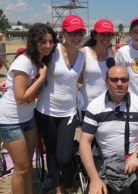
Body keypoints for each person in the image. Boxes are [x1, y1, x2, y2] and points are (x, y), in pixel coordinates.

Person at [0, 23, 57, 194]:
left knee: (27, 165)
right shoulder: (25, 62)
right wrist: (41, 77)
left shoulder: (40, 61)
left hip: (28, 118)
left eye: (51, 41)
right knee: (21, 168)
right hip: (10, 121)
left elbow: (21, 89)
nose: (48, 45)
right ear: (34, 42)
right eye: (43, 41)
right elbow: (20, 97)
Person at [79, 65, 138, 194]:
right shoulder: (95, 107)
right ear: (106, 82)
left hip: (132, 155)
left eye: (124, 79)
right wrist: (94, 179)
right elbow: (85, 143)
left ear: (128, 81)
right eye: (114, 80)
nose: (119, 83)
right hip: (105, 159)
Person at [35, 15, 85, 194]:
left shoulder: (82, 56)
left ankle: (69, 185)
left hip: (68, 113)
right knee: (52, 153)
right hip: (45, 111)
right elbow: (30, 62)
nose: (77, 36)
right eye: (73, 32)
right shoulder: (52, 51)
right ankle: (58, 188)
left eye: (81, 32)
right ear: (64, 32)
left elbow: (78, 79)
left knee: (64, 156)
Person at [78, 19, 115, 119]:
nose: (106, 38)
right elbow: (78, 79)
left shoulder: (113, 52)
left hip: (109, 104)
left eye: (109, 35)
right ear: (95, 35)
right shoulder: (83, 53)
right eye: (102, 34)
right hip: (87, 105)